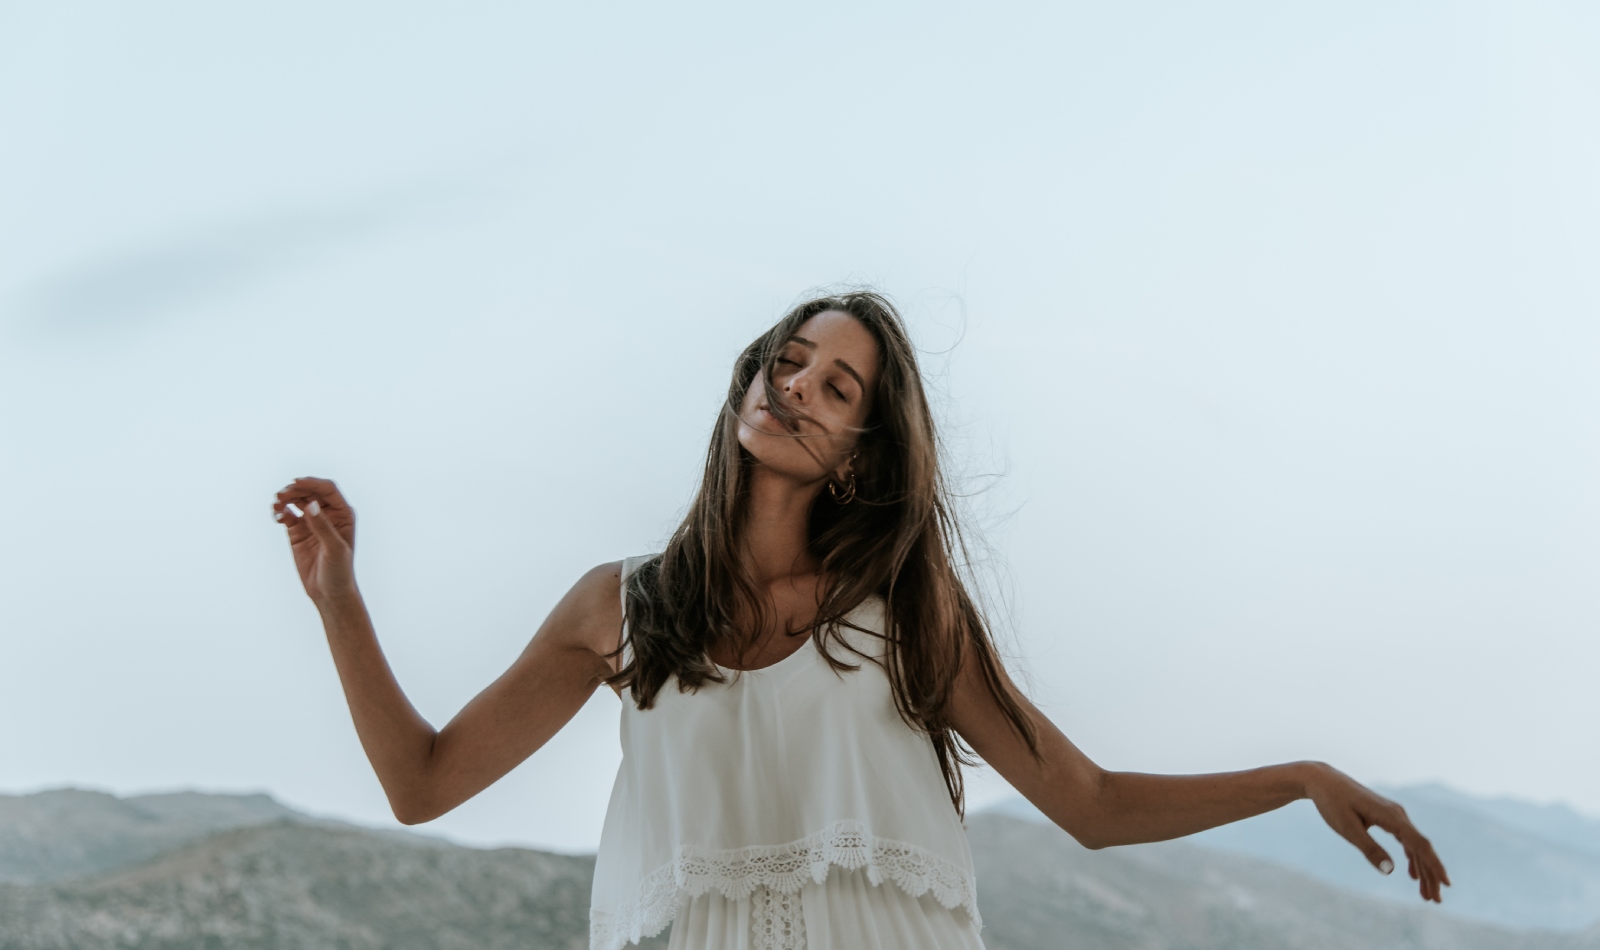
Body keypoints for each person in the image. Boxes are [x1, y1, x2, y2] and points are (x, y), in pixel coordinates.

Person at [273, 289, 1449, 950]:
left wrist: (1295, 776)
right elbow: (421, 784)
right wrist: (341, 600)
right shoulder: (620, 609)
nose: (795, 388)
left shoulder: (902, 622)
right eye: (785, 364)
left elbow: (1086, 806)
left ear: (856, 455)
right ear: (744, 387)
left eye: (835, 386)